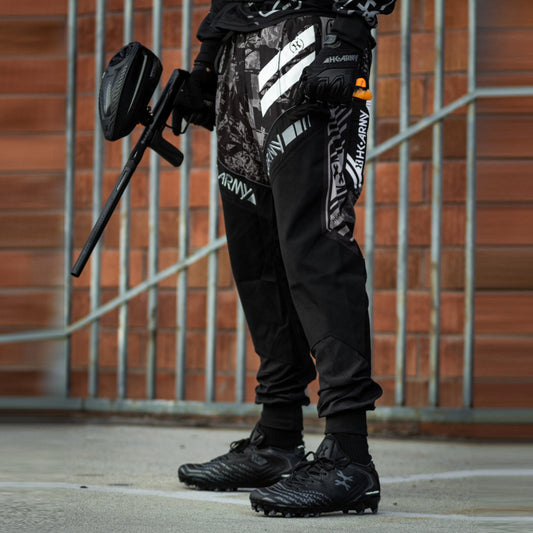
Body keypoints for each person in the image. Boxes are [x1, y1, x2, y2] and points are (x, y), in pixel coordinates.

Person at [176, 0, 397, 518]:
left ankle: (349, 455)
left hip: (312, 38)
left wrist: (349, 32)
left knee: (317, 244)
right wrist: (207, 60)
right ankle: (277, 439)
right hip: (239, 56)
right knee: (256, 253)